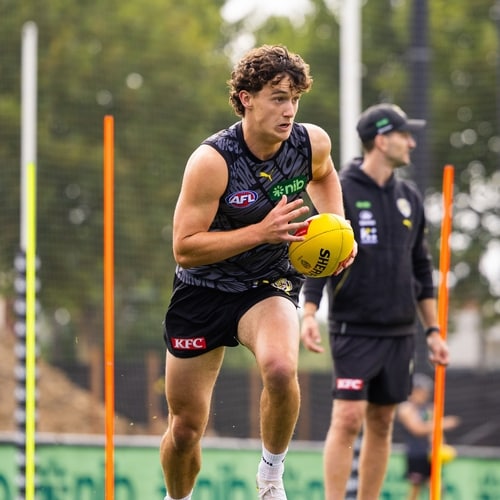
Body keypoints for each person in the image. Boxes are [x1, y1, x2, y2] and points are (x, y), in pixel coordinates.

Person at [160, 44, 355, 500]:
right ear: (246, 98)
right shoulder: (212, 161)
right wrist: (260, 231)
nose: (289, 111)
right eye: (278, 98)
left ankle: (270, 479)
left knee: (282, 368)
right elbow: (185, 249)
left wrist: (339, 229)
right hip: (203, 289)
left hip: (267, 283)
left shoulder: (310, 143)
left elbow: (325, 175)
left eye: (295, 99)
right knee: (185, 429)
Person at [300, 103, 451, 500]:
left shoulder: (409, 196)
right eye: (404, 135)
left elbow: (421, 267)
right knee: (348, 417)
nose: (412, 143)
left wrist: (433, 331)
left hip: (400, 333)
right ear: (382, 141)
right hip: (353, 329)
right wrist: (309, 312)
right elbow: (322, 254)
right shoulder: (342, 188)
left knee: (382, 422)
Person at [397, 373, 460, 500]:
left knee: (438, 488)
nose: (425, 394)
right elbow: (417, 429)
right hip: (416, 455)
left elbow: (435, 433)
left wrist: (441, 445)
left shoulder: (429, 408)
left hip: (431, 455)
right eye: (422, 391)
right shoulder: (406, 408)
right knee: (415, 489)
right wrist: (442, 423)